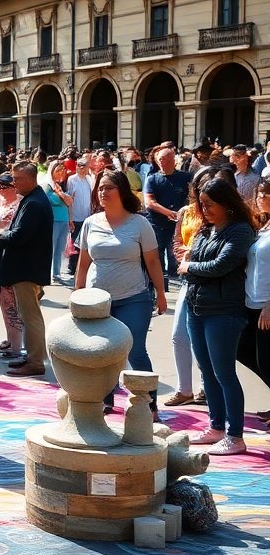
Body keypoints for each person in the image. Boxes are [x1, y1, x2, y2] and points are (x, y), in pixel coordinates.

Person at [74, 170, 167, 415]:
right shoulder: (91, 222)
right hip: (97, 301)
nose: (103, 193)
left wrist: (160, 292)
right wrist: (77, 294)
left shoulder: (139, 223)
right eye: (100, 188)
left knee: (135, 349)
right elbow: (83, 263)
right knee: (102, 350)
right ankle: (106, 398)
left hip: (134, 298)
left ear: (122, 191)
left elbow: (154, 261)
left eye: (109, 188)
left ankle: (149, 402)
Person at [179, 178, 255, 456]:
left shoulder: (240, 230)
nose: (205, 209)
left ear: (226, 203)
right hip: (197, 308)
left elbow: (221, 265)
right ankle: (216, 428)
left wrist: (189, 265)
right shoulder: (206, 229)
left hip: (224, 311)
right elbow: (199, 262)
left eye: (210, 204)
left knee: (225, 374)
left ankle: (235, 435)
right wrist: (189, 262)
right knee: (207, 372)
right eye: (202, 204)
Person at [0, 161, 53, 378]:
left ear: (31, 178)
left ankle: (35, 361)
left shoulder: (34, 202)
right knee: (28, 316)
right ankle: (31, 357)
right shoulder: (32, 199)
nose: (14, 183)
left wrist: (0, 234)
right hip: (27, 267)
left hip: (28, 269)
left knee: (30, 316)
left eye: (18, 179)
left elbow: (19, 236)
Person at [166, 167, 218, 407]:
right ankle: (184, 389)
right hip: (187, 277)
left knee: (204, 339)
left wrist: (192, 254)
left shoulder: (214, 214)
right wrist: (180, 252)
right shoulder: (186, 212)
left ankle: (206, 389)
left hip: (208, 279)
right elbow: (177, 238)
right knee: (179, 335)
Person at [238, 178, 270, 427]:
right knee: (242, 350)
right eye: (259, 193)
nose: (260, 198)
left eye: (266, 194)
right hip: (251, 302)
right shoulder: (263, 224)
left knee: (265, 361)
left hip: (266, 305)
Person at [0, 173, 24, 360]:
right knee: (4, 301)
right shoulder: (2, 204)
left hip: (9, 260)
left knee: (11, 303)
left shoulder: (19, 205)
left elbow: (13, 233)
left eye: (5, 185)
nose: (1, 189)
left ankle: (16, 346)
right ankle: (11, 339)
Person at [143, 148, 191, 288]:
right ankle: (158, 283)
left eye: (164, 158)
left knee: (176, 254)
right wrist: (169, 213)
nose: (161, 161)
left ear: (173, 159)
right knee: (156, 254)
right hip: (157, 223)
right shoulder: (152, 179)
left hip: (180, 224)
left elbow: (192, 197)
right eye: (159, 159)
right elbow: (150, 202)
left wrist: (183, 213)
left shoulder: (185, 177)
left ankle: (178, 280)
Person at [43, 160, 74, 285]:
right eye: (57, 170)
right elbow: (51, 201)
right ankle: (47, 273)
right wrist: (62, 197)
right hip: (53, 220)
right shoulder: (47, 186)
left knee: (60, 249)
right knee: (51, 247)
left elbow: (69, 202)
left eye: (62, 170)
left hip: (63, 220)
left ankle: (56, 273)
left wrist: (62, 195)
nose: (61, 173)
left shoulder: (62, 185)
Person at [66, 158, 95, 276]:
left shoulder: (89, 179)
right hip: (76, 216)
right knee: (75, 242)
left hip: (87, 216)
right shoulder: (72, 180)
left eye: (85, 166)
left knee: (85, 243)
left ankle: (82, 266)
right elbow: (70, 199)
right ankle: (72, 266)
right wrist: (70, 218)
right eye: (80, 166)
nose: (82, 168)